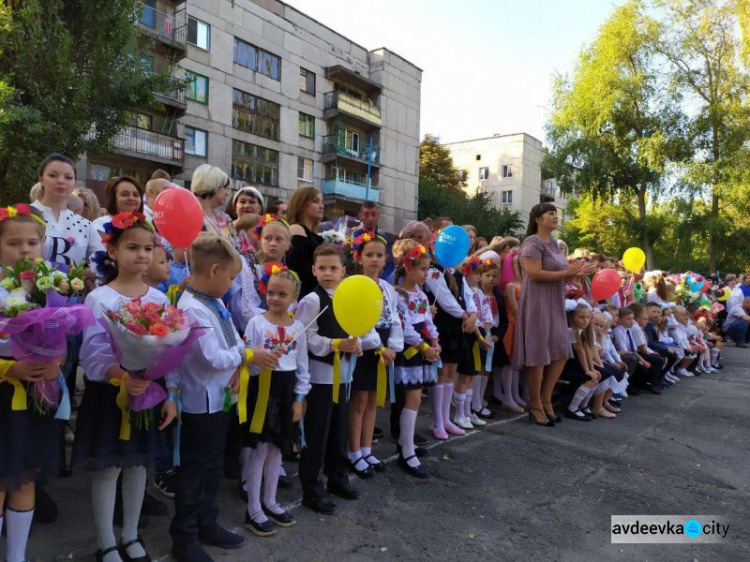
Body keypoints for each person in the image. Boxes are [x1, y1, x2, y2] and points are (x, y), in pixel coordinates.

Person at [165, 234, 277, 561]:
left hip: (220, 398)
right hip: (201, 403)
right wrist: (247, 355)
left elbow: (230, 343)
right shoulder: (191, 308)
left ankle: (206, 522)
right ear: (214, 270)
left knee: (211, 466)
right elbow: (211, 357)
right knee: (194, 470)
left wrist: (242, 353)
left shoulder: (212, 303)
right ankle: (184, 537)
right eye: (230, 277)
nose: (231, 284)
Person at [74, 213, 173, 562]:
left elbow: (171, 348)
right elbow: (92, 351)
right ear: (112, 250)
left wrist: (169, 394)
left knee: (137, 466)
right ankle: (106, 542)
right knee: (109, 468)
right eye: (132, 247)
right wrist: (120, 375)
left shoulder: (160, 300)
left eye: (148, 248)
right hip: (110, 394)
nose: (142, 255)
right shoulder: (99, 298)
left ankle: (131, 535)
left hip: (146, 392)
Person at [0, 205, 63, 562]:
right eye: (13, 242)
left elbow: (63, 340)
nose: (25, 250)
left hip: (37, 396)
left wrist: (56, 363)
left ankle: (17, 556)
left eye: (32, 242)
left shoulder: (50, 289)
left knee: (25, 478)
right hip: (4, 395)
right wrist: (9, 370)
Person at [513, 203, 595, 426]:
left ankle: (547, 399)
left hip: (555, 303)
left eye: (556, 214)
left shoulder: (553, 244)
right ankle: (536, 403)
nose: (555, 217)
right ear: (538, 219)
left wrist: (574, 274)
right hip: (537, 304)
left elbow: (558, 274)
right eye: (551, 213)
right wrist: (566, 272)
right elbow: (534, 273)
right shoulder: (532, 242)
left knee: (560, 350)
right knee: (538, 355)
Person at [241, 265, 307, 537]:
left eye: (282, 294)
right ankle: (253, 507)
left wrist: (300, 398)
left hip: (287, 390)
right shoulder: (257, 323)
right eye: (271, 292)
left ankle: (271, 501)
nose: (275, 298)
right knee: (259, 448)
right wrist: (261, 360)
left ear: (294, 297)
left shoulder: (299, 326)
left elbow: (302, 366)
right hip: (263, 390)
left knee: (277, 449)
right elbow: (247, 360)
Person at [295, 244, 362, 514]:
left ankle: (337, 478)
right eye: (321, 268)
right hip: (320, 378)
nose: (328, 273)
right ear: (313, 270)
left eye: (333, 268)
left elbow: (358, 330)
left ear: (343, 271)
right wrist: (335, 345)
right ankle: (311, 488)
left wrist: (357, 344)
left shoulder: (347, 298)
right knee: (317, 435)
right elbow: (305, 338)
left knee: (338, 432)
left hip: (344, 376)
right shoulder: (311, 301)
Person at [348, 232, 403, 477]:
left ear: (385, 260)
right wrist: (378, 347)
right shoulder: (356, 285)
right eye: (369, 254)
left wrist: (392, 346)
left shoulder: (388, 288)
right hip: (365, 348)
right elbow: (357, 321)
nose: (374, 259)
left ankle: (367, 447)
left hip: (383, 348)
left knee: (373, 402)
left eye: (379, 255)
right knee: (359, 402)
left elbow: (395, 319)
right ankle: (353, 451)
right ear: (359, 258)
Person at [392, 240, 439, 477]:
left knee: (415, 400)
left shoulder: (419, 293)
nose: (426, 274)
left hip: (423, 348)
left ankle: (405, 443)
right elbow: (406, 327)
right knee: (412, 401)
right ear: (408, 268)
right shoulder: (400, 295)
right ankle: (406, 452)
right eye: (422, 269)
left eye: (428, 269)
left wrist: (435, 341)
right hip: (411, 350)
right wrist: (423, 346)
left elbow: (427, 321)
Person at [31, 153, 98, 266]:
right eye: (53, 175)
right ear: (41, 179)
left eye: (68, 177)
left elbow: (102, 262)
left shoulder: (86, 226)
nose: (61, 181)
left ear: (74, 183)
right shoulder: (22, 216)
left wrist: (86, 275)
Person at [561, 301, 599, 421]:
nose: (585, 320)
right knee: (589, 379)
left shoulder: (581, 331)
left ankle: (583, 405)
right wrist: (587, 370)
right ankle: (572, 408)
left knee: (596, 376)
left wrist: (592, 369)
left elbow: (587, 350)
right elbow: (580, 351)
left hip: (576, 364)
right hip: (566, 366)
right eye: (581, 317)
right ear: (572, 317)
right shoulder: (571, 331)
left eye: (588, 317)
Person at [286, 186, 324, 298]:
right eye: (315, 201)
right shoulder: (297, 230)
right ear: (301, 205)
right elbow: (301, 272)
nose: (322, 206)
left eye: (322, 202)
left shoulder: (311, 234)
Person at [90, 177, 146, 254]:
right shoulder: (100, 225)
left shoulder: (145, 225)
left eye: (136, 195)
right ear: (113, 199)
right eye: (124, 194)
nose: (132, 198)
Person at [191, 164, 236, 243]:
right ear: (214, 186)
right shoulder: (189, 219)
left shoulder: (225, 218)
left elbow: (237, 249)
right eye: (225, 188)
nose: (227, 194)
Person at [353, 201, 395, 283]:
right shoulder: (353, 238)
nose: (370, 218)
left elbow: (390, 264)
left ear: (378, 215)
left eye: (373, 214)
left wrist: (380, 280)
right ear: (360, 215)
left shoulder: (384, 239)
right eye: (366, 214)